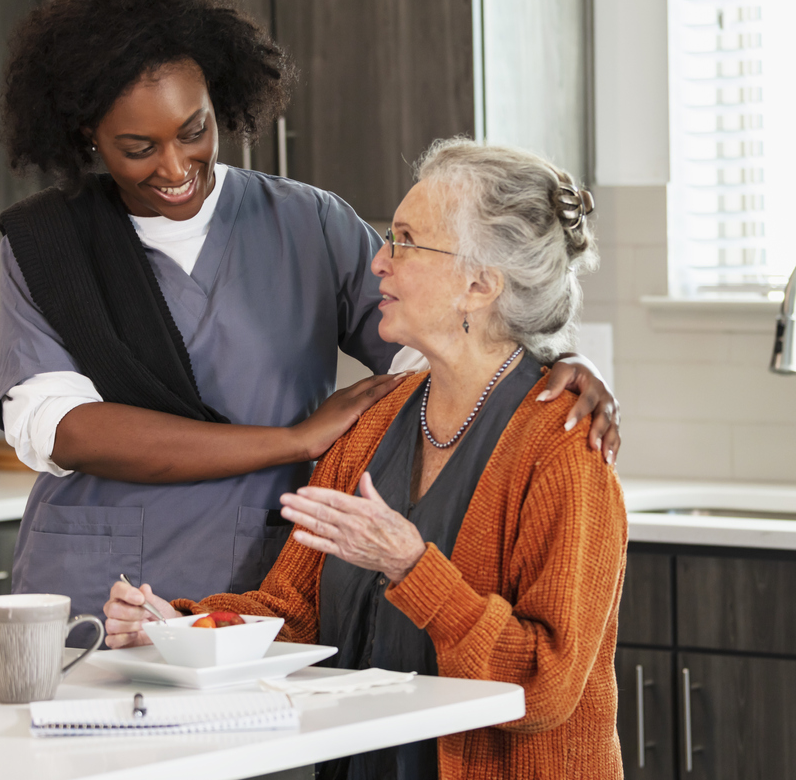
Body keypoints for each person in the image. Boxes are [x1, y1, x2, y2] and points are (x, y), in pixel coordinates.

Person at [0, 0, 622, 631]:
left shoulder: (308, 222)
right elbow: (65, 431)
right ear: (88, 134)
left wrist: (547, 364)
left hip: (260, 590)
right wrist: (294, 439)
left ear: (221, 103)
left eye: (194, 130)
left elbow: (441, 343)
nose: (175, 168)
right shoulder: (47, 243)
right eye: (138, 147)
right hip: (97, 592)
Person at [105, 140, 628, 779]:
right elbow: (295, 616)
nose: (378, 261)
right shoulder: (374, 421)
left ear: (478, 284)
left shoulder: (563, 450)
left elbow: (543, 687)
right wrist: (182, 627)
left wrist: (412, 567)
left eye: (405, 239)